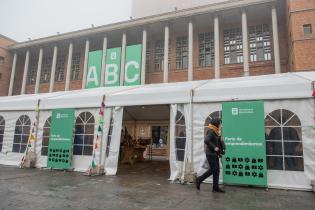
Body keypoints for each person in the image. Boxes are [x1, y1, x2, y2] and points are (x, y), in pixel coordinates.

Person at [196, 118, 225, 193]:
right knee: (213, 169)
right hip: (210, 153)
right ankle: (199, 179)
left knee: (217, 170)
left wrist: (221, 148)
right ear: (216, 124)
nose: (221, 125)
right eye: (220, 124)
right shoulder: (211, 131)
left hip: (215, 153)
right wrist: (214, 147)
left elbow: (217, 142)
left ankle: (215, 187)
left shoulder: (216, 131)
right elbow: (206, 140)